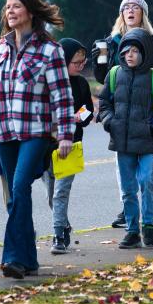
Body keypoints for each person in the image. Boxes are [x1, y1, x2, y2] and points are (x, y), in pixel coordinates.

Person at [0, 0, 74, 280]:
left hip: (35, 131)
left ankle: (13, 257)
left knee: (18, 188)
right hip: (4, 130)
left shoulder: (49, 50)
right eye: (7, 7)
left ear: (30, 11)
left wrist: (65, 133)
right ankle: (29, 261)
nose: (9, 12)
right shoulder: (0, 48)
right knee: (18, 196)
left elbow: (61, 95)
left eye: (15, 6)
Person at [93, 0, 153, 227]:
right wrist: (97, 60)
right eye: (126, 7)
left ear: (143, 13)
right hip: (121, 111)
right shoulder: (111, 41)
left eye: (135, 7)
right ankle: (127, 208)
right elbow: (103, 78)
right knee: (123, 164)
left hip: (149, 109)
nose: (130, 10)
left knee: (149, 165)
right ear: (121, 14)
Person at [41, 39, 95, 254]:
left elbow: (88, 110)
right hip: (46, 146)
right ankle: (64, 224)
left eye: (83, 62)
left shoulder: (81, 84)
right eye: (77, 62)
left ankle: (58, 236)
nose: (81, 66)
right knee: (51, 194)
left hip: (72, 144)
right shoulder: (47, 82)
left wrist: (76, 117)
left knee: (61, 192)